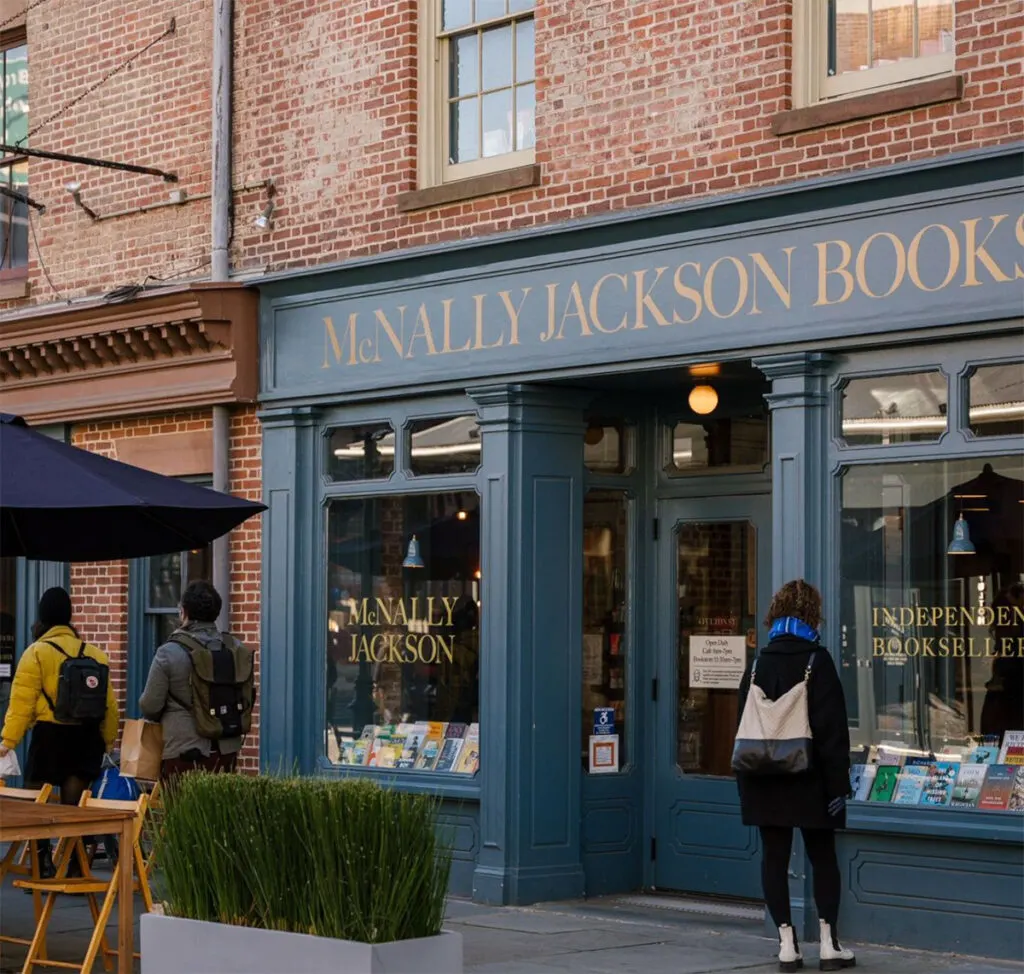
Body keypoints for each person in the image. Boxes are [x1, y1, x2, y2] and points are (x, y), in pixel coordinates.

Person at [735, 579, 856, 973]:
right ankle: (828, 944)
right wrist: (839, 786)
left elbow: (743, 725)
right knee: (823, 858)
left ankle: (787, 945)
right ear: (812, 614)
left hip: (762, 776)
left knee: (773, 857)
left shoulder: (757, 662)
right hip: (810, 778)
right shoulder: (817, 660)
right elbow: (834, 731)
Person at [0, 587, 119, 878]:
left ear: (43, 616)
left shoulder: (37, 653)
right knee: (74, 807)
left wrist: (7, 742)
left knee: (35, 803)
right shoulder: (95, 655)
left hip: (49, 738)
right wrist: (106, 741)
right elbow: (110, 707)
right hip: (86, 738)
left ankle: (41, 862)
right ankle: (76, 862)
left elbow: (21, 704)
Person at [139, 579, 249, 781]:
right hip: (226, 749)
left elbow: (150, 706)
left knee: (180, 811)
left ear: (184, 612)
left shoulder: (169, 652)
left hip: (184, 750)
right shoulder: (236, 648)